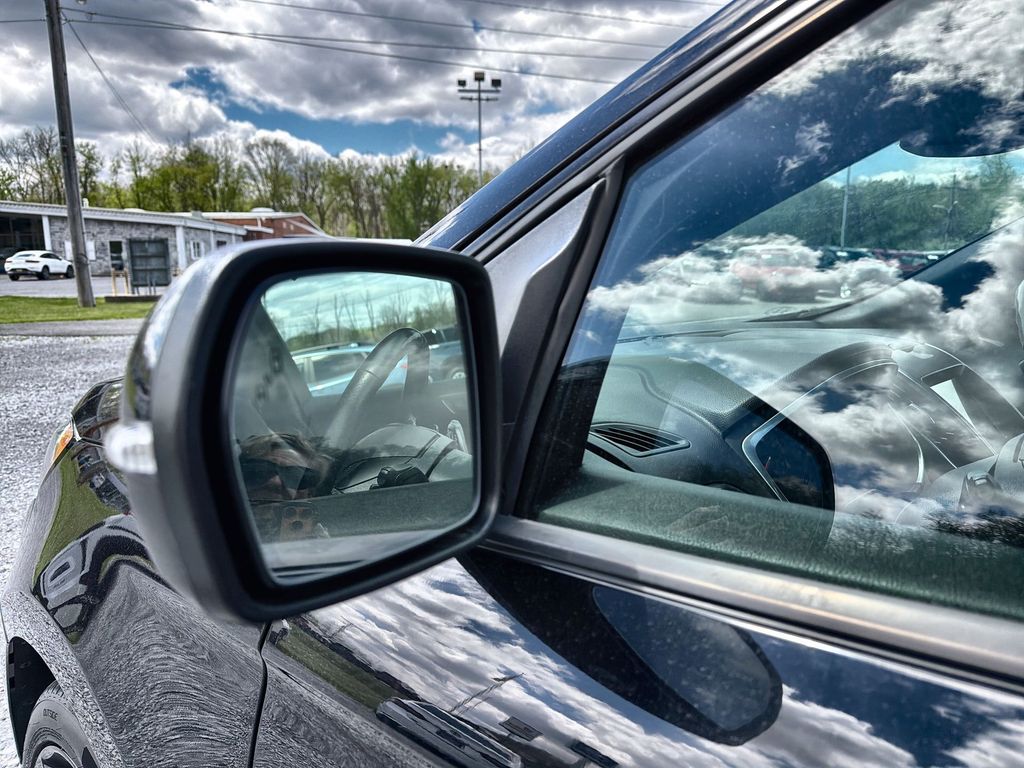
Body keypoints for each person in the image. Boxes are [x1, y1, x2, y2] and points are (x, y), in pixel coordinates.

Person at [237, 433, 336, 542]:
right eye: (260, 470)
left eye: (294, 476)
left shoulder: (315, 541)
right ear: (240, 475)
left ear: (307, 494)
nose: (276, 482)